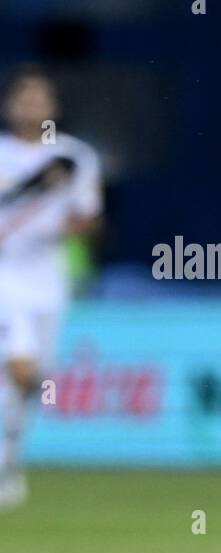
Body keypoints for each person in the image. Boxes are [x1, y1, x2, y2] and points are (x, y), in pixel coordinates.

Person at [0, 65, 102, 508]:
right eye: (23, 96)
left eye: (40, 98)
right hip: (5, 275)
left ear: (53, 107)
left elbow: (90, 217)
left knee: (31, 379)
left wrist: (74, 226)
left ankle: (9, 458)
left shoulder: (75, 157)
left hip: (50, 279)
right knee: (17, 365)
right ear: (9, 104)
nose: (31, 105)